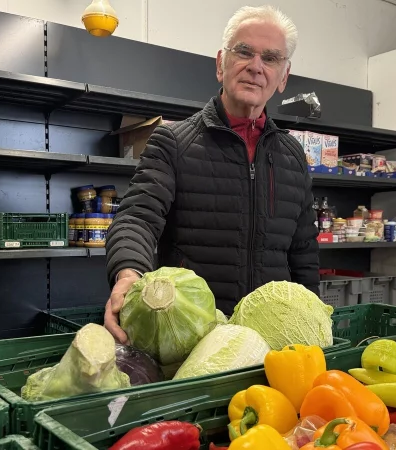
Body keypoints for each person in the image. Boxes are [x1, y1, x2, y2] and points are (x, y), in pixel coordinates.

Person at [104, 5, 319, 344]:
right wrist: (128, 272)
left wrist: (312, 314)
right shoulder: (173, 142)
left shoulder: (292, 156)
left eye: (271, 58)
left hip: (273, 339)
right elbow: (137, 219)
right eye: (244, 52)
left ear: (283, 78)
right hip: (192, 337)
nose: (256, 67)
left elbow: (303, 250)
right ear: (221, 63)